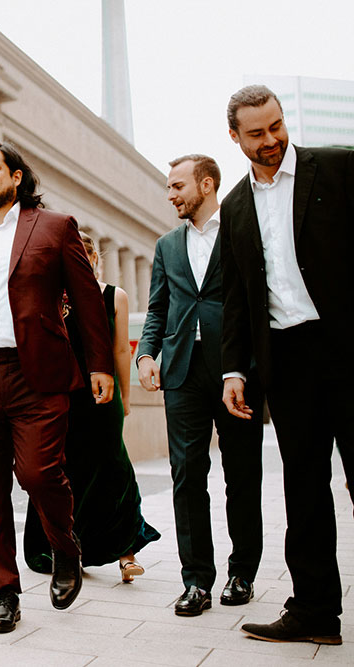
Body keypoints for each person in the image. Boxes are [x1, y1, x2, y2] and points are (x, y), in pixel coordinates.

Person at [0, 141, 114, 634]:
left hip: (40, 374)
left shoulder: (53, 227)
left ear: (15, 177)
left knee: (38, 473)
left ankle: (65, 548)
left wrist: (100, 364)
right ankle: (4, 592)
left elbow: (87, 298)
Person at [220, 85, 353, 644]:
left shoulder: (339, 169)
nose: (272, 139)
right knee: (304, 489)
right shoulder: (234, 206)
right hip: (288, 358)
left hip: (347, 347)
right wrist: (233, 370)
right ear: (235, 137)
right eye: (257, 133)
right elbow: (235, 297)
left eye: (277, 126)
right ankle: (316, 613)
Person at [137, 154, 265, 617]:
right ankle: (196, 581)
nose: (170, 195)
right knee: (187, 476)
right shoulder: (167, 245)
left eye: (176, 186)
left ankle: (242, 573)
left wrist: (248, 367)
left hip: (236, 370)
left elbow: (254, 299)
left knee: (242, 476)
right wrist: (147, 353)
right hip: (182, 375)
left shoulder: (239, 232)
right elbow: (157, 307)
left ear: (206, 184)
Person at [23, 233, 160, 582]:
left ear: (94, 258)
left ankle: (127, 552)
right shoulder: (50, 296)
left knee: (114, 470)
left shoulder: (114, 295)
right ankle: (65, 546)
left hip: (103, 397)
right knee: (62, 472)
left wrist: (124, 399)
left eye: (83, 254)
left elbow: (119, 351)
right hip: (59, 398)